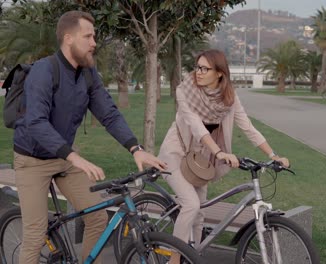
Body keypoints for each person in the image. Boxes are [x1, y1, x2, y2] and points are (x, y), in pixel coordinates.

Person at [13, 11, 167, 263]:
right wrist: (75, 157)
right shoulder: (44, 71)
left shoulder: (87, 74)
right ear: (68, 38)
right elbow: (36, 122)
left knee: (97, 218)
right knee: (34, 233)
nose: (94, 42)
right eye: (88, 36)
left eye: (94, 36)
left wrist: (135, 148)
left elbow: (109, 114)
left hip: (64, 158)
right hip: (32, 161)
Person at [158, 49, 289, 263]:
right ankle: (174, 259)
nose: (198, 72)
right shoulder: (186, 91)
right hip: (176, 154)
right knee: (191, 204)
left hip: (200, 161)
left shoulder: (228, 98)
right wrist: (219, 152)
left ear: (219, 73)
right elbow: (196, 126)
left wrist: (273, 154)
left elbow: (247, 127)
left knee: (199, 212)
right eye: (197, 67)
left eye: (204, 68)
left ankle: (193, 257)